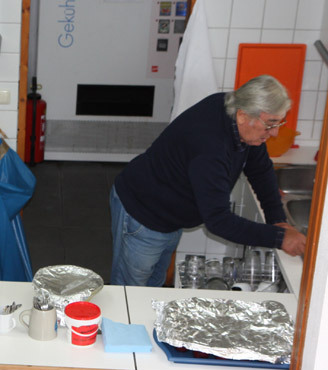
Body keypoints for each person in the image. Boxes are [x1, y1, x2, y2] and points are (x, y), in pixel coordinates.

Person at [110, 74, 307, 286]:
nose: (275, 133)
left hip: (169, 213)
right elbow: (218, 221)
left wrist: (277, 219)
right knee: (130, 289)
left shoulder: (235, 111)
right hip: (143, 213)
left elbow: (260, 168)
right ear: (243, 116)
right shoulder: (211, 147)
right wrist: (279, 238)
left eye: (279, 123)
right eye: (270, 124)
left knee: (153, 285)